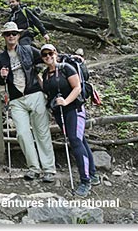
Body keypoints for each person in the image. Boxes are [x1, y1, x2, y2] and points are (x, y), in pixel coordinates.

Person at [0, 22, 56, 183]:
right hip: (16, 100)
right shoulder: (0, 58)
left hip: (34, 94)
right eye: (8, 34)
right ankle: (34, 168)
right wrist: (2, 76)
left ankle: (49, 169)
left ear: (18, 35)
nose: (11, 36)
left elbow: (47, 58)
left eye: (14, 33)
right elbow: (1, 83)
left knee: (42, 132)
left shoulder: (28, 50)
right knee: (22, 134)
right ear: (4, 36)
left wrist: (64, 60)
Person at [40, 44, 100, 197]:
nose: (48, 56)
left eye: (50, 53)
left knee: (75, 140)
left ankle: (85, 181)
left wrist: (66, 101)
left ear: (55, 53)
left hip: (75, 109)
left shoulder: (66, 68)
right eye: (44, 55)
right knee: (80, 140)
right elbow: (48, 91)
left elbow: (77, 87)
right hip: (60, 113)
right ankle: (93, 175)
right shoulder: (46, 74)